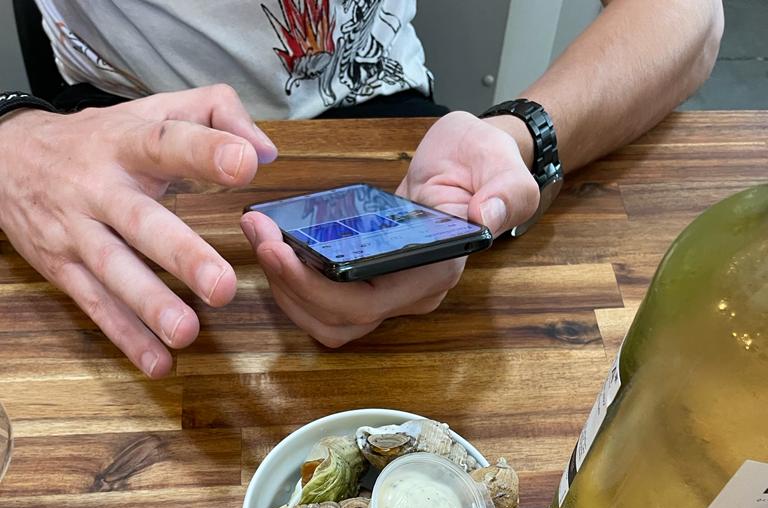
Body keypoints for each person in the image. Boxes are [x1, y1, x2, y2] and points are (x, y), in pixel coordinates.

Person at [0, 0, 723, 378]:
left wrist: (516, 137)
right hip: (114, 144)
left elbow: (690, 17)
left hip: (400, 118)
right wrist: (15, 138)